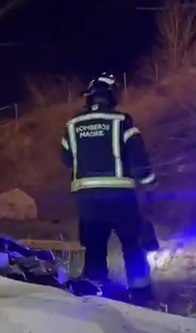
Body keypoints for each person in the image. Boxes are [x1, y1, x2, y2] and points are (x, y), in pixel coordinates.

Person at [61, 72, 157, 304]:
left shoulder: (73, 125)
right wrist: (149, 183)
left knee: (94, 249)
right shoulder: (121, 121)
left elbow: (66, 158)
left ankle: (95, 297)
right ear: (112, 95)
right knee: (133, 247)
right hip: (120, 197)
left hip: (88, 200)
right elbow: (138, 157)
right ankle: (142, 297)